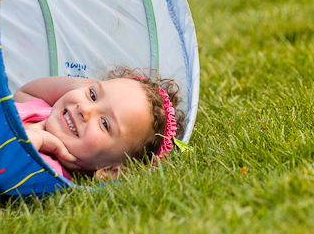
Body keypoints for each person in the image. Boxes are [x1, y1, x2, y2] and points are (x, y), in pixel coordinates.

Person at [13, 67, 185, 180]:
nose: (84, 109)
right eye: (93, 95)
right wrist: (86, 87)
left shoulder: (49, 171)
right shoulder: (44, 110)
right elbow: (25, 91)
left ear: (111, 171)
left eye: (104, 123)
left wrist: (34, 139)